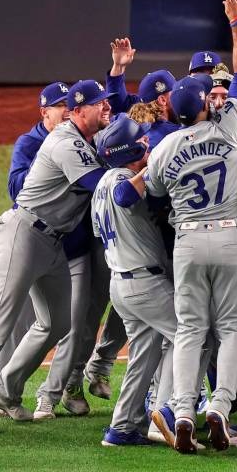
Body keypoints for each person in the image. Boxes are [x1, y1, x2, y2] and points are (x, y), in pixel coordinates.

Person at [0, 79, 112, 434]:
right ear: (77, 111)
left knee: (58, 322)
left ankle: (4, 390)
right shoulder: (65, 142)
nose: (106, 108)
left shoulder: (87, 138)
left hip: (53, 243)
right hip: (24, 233)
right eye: (99, 104)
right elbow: (99, 183)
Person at [145, 0, 237, 454]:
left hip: (186, 241)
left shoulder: (166, 145)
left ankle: (184, 409)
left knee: (190, 330)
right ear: (207, 103)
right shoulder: (230, 125)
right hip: (230, 236)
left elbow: (148, 190)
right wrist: (236, 22)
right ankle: (220, 407)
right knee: (232, 328)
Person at [91, 116, 179, 446]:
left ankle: (123, 426)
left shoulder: (100, 184)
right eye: (142, 140)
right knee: (189, 336)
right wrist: (153, 164)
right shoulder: (121, 180)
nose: (147, 142)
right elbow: (125, 195)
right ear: (131, 149)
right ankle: (165, 413)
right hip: (144, 282)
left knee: (144, 352)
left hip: (122, 283)